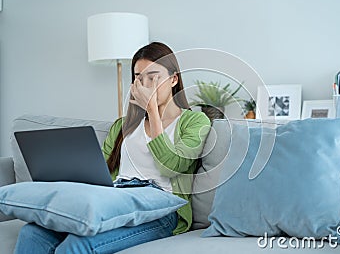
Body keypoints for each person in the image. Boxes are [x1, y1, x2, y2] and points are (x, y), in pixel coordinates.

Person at [14, 42, 211, 254]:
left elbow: (171, 166)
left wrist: (153, 110)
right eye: (139, 77)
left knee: (79, 245)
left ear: (173, 79)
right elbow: (100, 173)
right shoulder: (123, 126)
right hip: (116, 200)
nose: (145, 84)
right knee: (33, 233)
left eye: (153, 77)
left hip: (161, 208)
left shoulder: (195, 121)